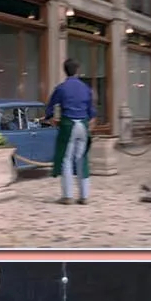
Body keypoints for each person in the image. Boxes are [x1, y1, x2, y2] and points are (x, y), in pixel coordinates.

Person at [45, 59, 98, 205]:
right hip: (83, 125)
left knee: (66, 159)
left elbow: (50, 105)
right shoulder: (86, 88)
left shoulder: (61, 88)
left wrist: (50, 117)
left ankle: (67, 196)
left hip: (68, 125)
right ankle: (84, 196)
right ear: (77, 70)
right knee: (82, 159)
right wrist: (92, 120)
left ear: (65, 70)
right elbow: (92, 110)